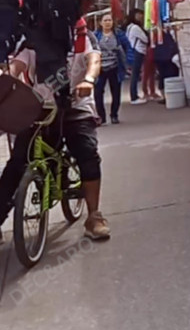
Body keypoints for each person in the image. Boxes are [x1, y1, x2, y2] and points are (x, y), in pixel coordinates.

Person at [0, 20, 111, 240]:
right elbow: (17, 67)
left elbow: (94, 60)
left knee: (87, 154)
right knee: (17, 163)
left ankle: (94, 216)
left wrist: (88, 80)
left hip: (76, 107)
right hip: (39, 110)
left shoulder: (82, 38)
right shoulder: (32, 43)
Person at [94, 13, 129, 124]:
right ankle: (101, 117)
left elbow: (128, 47)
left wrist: (128, 62)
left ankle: (114, 115)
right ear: (101, 23)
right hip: (100, 69)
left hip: (115, 67)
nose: (108, 22)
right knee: (98, 93)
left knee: (116, 93)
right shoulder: (96, 36)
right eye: (105, 20)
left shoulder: (118, 34)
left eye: (109, 20)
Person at [126, 9, 149, 105]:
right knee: (135, 74)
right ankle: (134, 97)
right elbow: (146, 39)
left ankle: (134, 95)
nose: (140, 16)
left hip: (134, 51)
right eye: (138, 15)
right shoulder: (135, 28)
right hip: (138, 51)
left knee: (135, 74)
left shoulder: (129, 27)